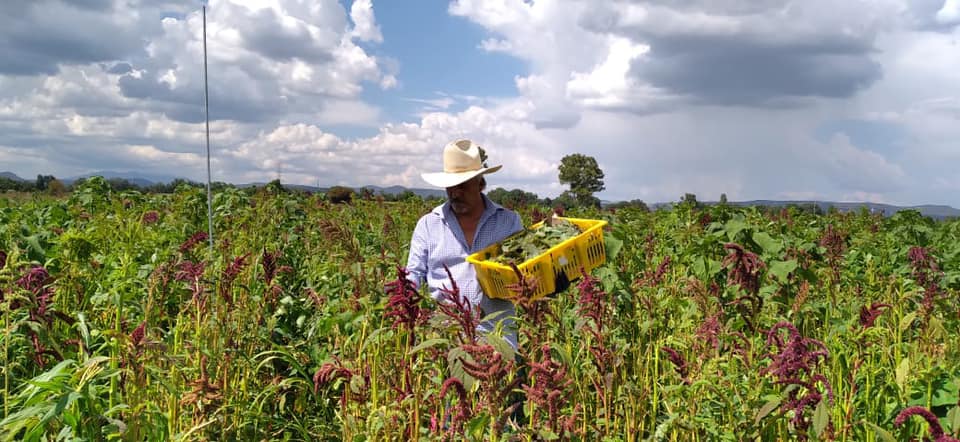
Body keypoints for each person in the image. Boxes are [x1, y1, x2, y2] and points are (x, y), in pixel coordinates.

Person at [405, 139, 523, 349]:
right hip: (446, 335)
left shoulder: (508, 221)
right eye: (450, 187)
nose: (455, 193)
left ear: (480, 183)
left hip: (497, 334)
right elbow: (413, 273)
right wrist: (403, 297)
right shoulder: (428, 225)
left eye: (463, 186)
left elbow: (524, 271)